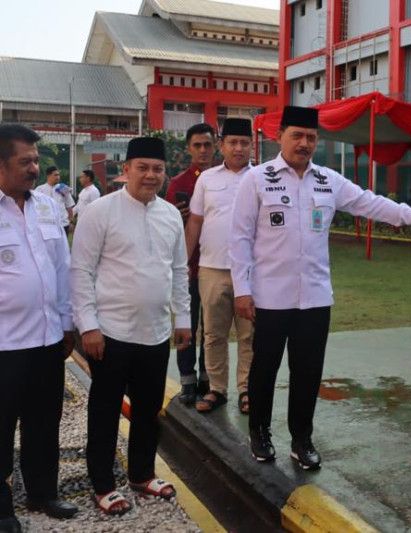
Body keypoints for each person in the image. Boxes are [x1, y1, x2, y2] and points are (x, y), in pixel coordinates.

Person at [229, 105, 411, 469]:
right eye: (297, 136)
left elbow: (371, 204)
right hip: (270, 297)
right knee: (264, 369)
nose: (304, 144)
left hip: (316, 298)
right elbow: (239, 238)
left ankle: (302, 440)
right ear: (280, 136)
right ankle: (260, 433)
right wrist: (242, 289)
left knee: (308, 373)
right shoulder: (257, 180)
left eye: (311, 138)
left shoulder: (327, 180)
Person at [71, 137, 191, 515]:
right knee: (105, 410)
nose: (151, 175)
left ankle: (141, 474)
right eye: (142, 167)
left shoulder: (171, 214)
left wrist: (183, 318)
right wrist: (88, 326)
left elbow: (178, 271)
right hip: (111, 333)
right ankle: (103, 484)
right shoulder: (101, 212)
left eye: (157, 169)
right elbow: (81, 271)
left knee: (148, 410)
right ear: (126, 170)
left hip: (155, 333)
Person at [0, 124, 78, 532]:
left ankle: (43, 492)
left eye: (35, 159)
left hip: (48, 340)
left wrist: (68, 325)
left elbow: (62, 268)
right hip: (5, 346)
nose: (34, 167)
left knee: (44, 422)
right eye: (24, 161)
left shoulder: (46, 206)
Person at [186, 118, 254, 414]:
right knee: (213, 334)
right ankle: (217, 388)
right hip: (212, 268)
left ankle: (247, 389)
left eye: (244, 143)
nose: (238, 148)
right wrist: (186, 261)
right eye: (232, 142)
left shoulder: (263, 178)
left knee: (250, 334)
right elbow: (196, 222)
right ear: (221, 146)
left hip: (252, 272)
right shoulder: (207, 179)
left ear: (251, 145)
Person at [166, 123, 215, 405]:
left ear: (215, 145)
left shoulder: (226, 179)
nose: (203, 150)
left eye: (207, 144)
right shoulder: (179, 183)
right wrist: (176, 214)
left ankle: (209, 379)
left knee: (211, 328)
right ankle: (187, 380)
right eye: (197, 145)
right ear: (189, 148)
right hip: (188, 265)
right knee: (187, 325)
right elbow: (168, 226)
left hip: (214, 265)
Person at [35, 166, 75, 234]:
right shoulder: (39, 189)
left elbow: (69, 206)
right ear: (48, 176)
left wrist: (71, 222)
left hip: (63, 224)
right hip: (47, 225)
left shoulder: (63, 188)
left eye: (58, 175)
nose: (58, 177)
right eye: (55, 175)